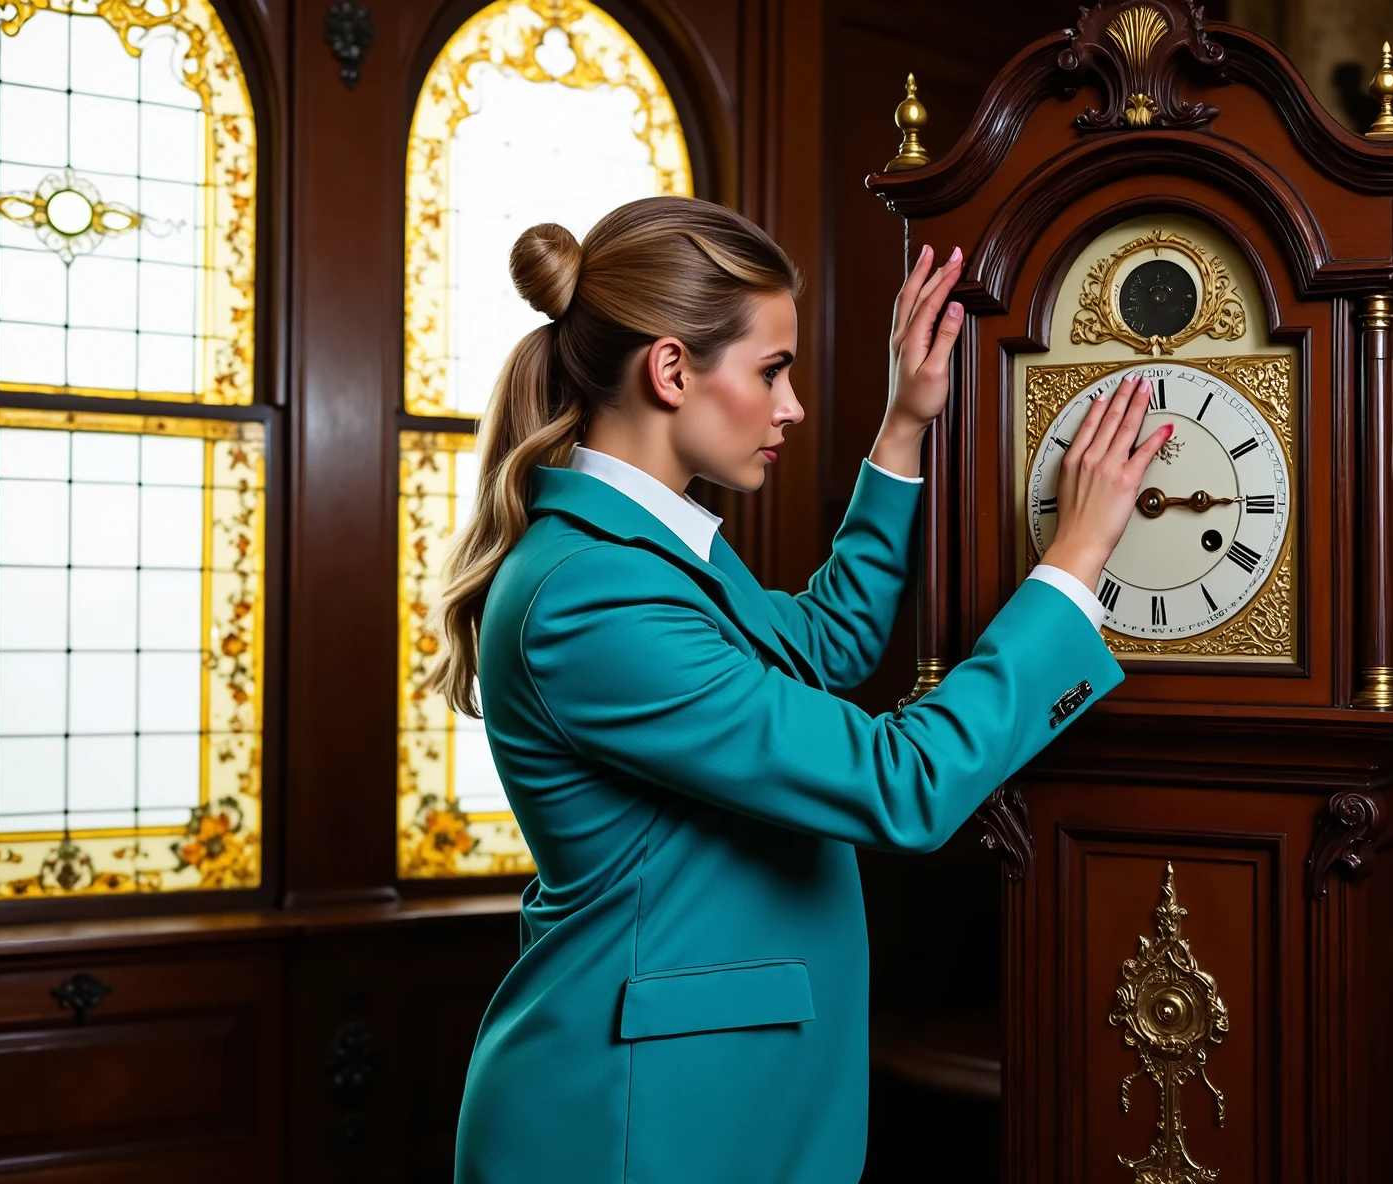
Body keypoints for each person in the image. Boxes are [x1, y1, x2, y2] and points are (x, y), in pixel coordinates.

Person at [438, 196, 1169, 1183]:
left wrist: (905, 422)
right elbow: (897, 783)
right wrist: (1074, 561)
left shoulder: (645, 554)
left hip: (705, 1095)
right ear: (669, 369)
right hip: (638, 1122)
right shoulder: (592, 597)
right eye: (771, 370)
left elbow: (820, 643)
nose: (791, 406)